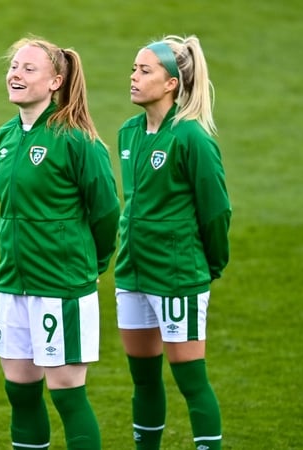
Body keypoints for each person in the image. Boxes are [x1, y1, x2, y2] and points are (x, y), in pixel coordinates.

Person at [0, 35, 120, 450]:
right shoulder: (5, 137)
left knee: (67, 395)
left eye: (29, 69)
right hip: (13, 283)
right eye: (14, 67)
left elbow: (106, 215)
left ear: (55, 82)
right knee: (20, 394)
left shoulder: (78, 141)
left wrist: (88, 266)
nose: (16, 74)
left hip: (61, 288)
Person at [114, 35, 231, 450]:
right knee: (142, 379)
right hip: (132, 273)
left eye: (144, 71)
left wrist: (209, 266)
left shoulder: (192, 138)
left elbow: (216, 212)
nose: (133, 77)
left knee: (189, 377)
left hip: (177, 275)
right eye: (134, 68)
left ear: (170, 84)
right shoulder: (128, 133)